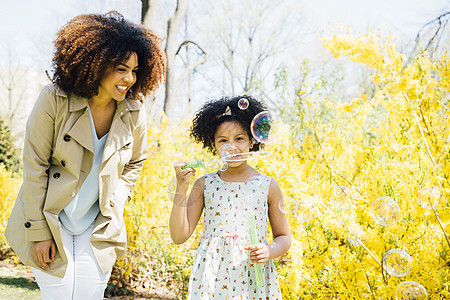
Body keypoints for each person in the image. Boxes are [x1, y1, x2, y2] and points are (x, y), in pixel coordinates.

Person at [5, 11, 165, 300]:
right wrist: (39, 233)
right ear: (97, 63)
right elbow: (35, 166)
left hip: (98, 223)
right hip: (51, 219)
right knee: (60, 293)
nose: (129, 79)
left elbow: (135, 162)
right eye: (120, 68)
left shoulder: (134, 110)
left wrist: (118, 198)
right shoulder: (54, 99)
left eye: (134, 70)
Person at [170, 95, 292, 299]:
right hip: (213, 277)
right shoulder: (204, 184)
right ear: (213, 144)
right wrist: (181, 188)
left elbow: (284, 237)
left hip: (254, 277)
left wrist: (269, 251)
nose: (231, 147)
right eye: (223, 140)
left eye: (239, 139)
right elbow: (178, 236)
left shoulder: (268, 186)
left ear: (252, 140)